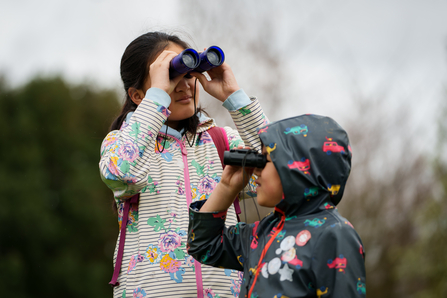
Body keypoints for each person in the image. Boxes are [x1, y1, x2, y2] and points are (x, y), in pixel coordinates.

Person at [99, 31, 268, 298]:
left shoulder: (221, 142)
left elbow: (284, 169)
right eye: (169, 77)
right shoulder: (123, 144)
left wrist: (235, 97)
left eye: (188, 74)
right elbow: (123, 174)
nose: (183, 85)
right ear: (137, 95)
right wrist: (157, 100)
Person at [187, 114, 367, 297]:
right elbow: (203, 245)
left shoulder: (334, 234)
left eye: (265, 160)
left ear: (296, 169)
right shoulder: (262, 232)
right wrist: (226, 187)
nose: (256, 169)